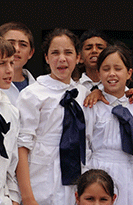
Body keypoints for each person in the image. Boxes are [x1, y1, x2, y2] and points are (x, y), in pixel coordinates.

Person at [15, 28, 89, 205]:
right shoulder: (32, 94)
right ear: (46, 58)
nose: (62, 58)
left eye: (68, 52)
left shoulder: (84, 93)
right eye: (55, 53)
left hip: (75, 181)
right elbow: (21, 147)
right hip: (40, 179)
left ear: (78, 58)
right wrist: (27, 197)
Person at [84, 43, 133, 205]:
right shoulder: (92, 105)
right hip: (98, 172)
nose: (112, 74)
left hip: (130, 173)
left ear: (129, 73)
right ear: (98, 73)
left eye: (118, 69)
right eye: (106, 69)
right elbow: (84, 146)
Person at [0, 37, 20, 205]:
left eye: (11, 63)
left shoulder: (11, 111)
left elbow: (11, 165)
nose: (9, 70)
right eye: (2, 64)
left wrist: (13, 199)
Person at [0, 22, 36, 105]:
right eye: (10, 43)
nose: (16, 49)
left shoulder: (40, 88)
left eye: (23, 44)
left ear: (31, 53)